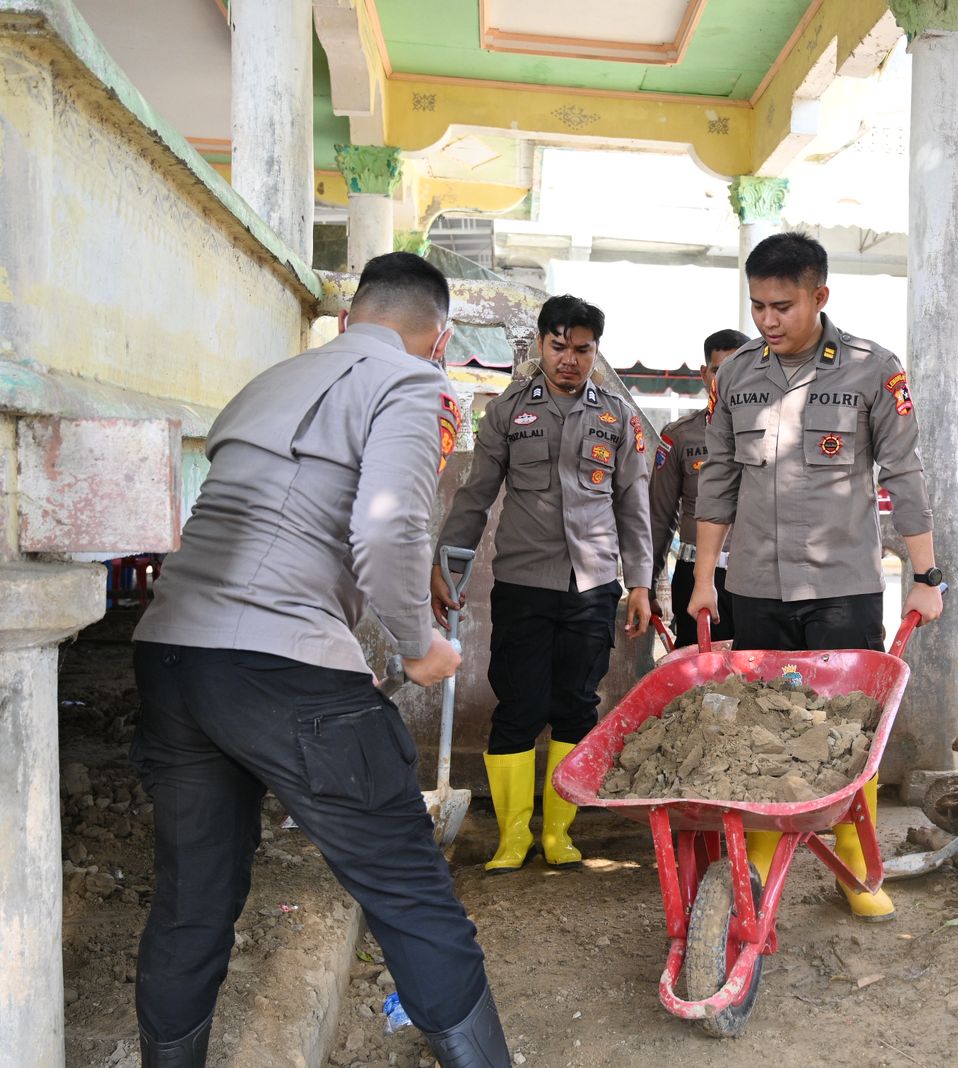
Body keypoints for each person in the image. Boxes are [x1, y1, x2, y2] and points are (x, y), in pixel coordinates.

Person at [131, 253, 509, 1067]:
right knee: (410, 896)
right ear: (439, 340)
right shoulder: (413, 384)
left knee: (191, 904)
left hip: (171, 659)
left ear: (347, 321)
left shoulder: (268, 381)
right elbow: (386, 529)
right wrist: (419, 647)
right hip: (281, 668)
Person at [689, 231, 943, 922]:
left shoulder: (871, 370)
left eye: (782, 305)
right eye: (758, 307)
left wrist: (928, 572)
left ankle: (857, 865)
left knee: (849, 729)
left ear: (820, 296)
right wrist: (706, 577)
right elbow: (717, 480)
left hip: (842, 589)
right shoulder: (737, 374)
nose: (768, 321)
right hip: (754, 589)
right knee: (759, 722)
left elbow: (905, 476)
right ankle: (765, 848)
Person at [433, 295, 651, 876]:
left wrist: (641, 583)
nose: (569, 360)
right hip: (524, 581)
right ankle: (512, 837)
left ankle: (558, 833)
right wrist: (448, 567)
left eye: (582, 349)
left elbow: (633, 505)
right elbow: (475, 496)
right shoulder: (509, 410)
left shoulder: (615, 417)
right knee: (520, 705)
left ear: (595, 351)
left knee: (577, 705)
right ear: (541, 345)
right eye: (559, 346)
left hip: (595, 582)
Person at [648, 328, 749, 648]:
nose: (731, 380)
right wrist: (645, 585)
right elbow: (658, 518)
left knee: (758, 675)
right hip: (697, 575)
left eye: (741, 369)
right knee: (698, 676)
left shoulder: (775, 434)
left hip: (757, 577)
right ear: (705, 374)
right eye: (721, 371)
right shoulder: (680, 436)